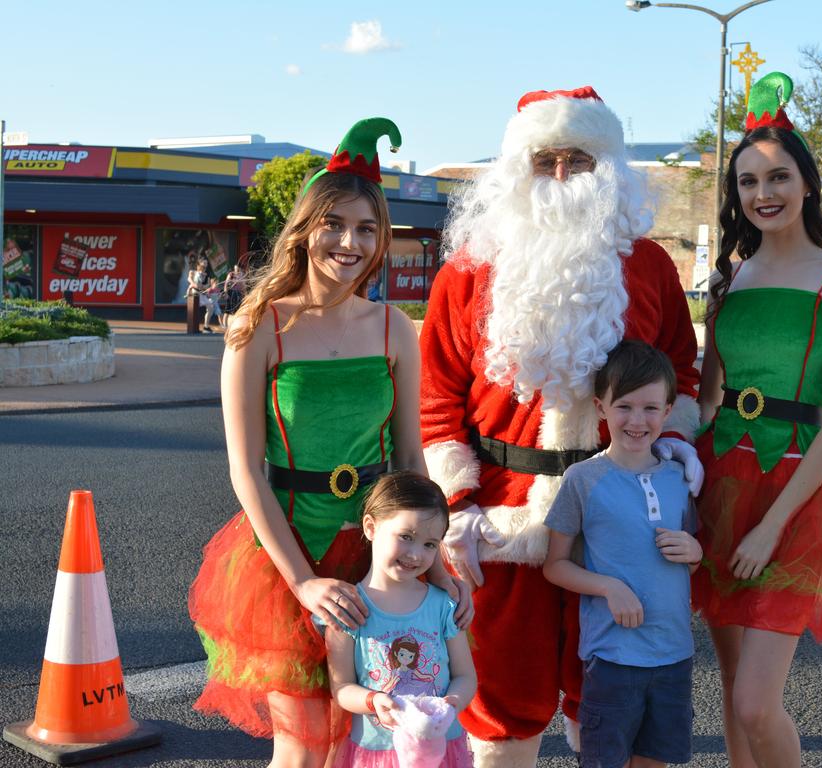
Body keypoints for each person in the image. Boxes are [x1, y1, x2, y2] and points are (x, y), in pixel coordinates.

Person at [419, 86, 703, 767]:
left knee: (606, 694)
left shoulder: (652, 267)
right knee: (498, 703)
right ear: (517, 166)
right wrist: (455, 509)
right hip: (498, 520)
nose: (558, 175)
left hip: (615, 524)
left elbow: (682, 380)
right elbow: (435, 398)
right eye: (544, 159)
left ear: (606, 169)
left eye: (577, 160)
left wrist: (670, 450)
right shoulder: (466, 272)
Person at [188, 118, 469, 768]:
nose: (349, 242)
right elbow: (246, 470)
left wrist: (440, 560)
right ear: (306, 228)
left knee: (369, 736)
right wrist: (303, 583)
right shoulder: (259, 327)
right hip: (285, 558)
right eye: (334, 224)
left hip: (377, 556)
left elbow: (409, 464)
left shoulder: (394, 328)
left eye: (367, 228)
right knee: (305, 741)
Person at [691, 72, 822, 768]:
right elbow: (706, 400)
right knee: (732, 688)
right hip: (719, 485)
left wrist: (770, 525)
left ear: (807, 185)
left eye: (778, 177)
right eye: (747, 181)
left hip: (793, 495)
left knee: (757, 703)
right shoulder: (729, 280)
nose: (762, 193)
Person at [543, 340, 701, 768]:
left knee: (654, 761)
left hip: (674, 656)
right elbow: (555, 565)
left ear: (668, 411)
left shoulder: (679, 477)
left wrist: (696, 550)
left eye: (651, 408)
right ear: (601, 407)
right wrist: (608, 587)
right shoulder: (583, 479)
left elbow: (691, 552)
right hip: (613, 660)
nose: (637, 420)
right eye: (624, 406)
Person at [323, 471, 476, 767]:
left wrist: (452, 702)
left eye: (430, 544)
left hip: (438, 751)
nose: (416, 554)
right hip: (377, 752)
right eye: (406, 537)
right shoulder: (349, 609)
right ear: (370, 527)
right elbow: (341, 688)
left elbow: (465, 676)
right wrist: (372, 701)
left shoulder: (443, 605)